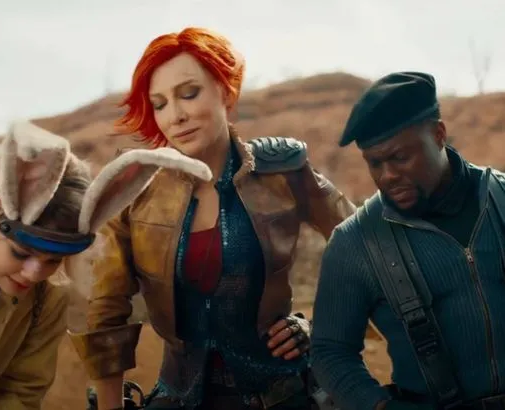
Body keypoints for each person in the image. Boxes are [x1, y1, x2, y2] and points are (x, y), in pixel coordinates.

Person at [69, 27, 356, 410]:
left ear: (225, 90)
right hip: (178, 396)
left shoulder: (283, 170)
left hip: (283, 394)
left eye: (189, 93)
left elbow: (366, 248)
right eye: (160, 104)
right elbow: (106, 312)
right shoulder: (135, 189)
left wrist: (317, 329)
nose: (176, 115)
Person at [0, 120, 212, 410]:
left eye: (53, 261)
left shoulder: (45, 301)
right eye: (20, 253)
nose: (35, 273)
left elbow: (20, 390)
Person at [310, 71, 505, 410]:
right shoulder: (354, 243)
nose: (387, 176)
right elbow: (330, 352)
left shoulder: (501, 200)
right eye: (374, 163)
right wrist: (379, 406)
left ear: (439, 134)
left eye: (400, 158)